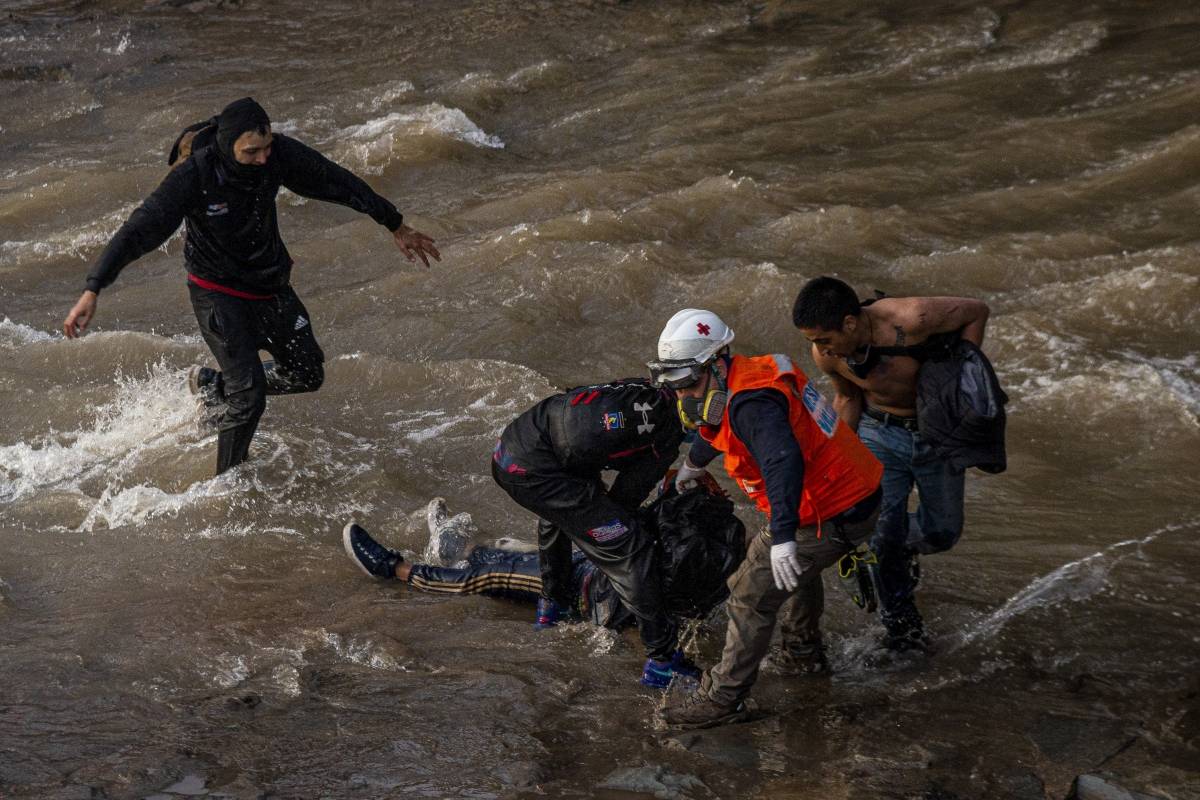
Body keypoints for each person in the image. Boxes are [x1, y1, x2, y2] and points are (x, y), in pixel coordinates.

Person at [61, 97, 440, 474]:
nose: (263, 158)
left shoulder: (277, 156)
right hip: (218, 293)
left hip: (270, 286)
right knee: (250, 397)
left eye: (267, 147)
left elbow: (336, 181)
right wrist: (94, 287)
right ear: (228, 146)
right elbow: (138, 231)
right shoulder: (195, 176)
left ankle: (212, 385)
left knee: (307, 373)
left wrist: (395, 224)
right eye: (251, 152)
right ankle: (227, 484)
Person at [651, 308, 883, 729]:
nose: (684, 395)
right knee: (795, 572)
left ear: (717, 364)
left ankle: (725, 699)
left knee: (749, 593)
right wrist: (695, 464)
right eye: (675, 384)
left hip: (829, 508)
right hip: (854, 491)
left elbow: (783, 460)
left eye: (689, 383)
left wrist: (783, 536)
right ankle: (803, 654)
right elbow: (714, 422)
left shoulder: (752, 405)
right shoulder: (748, 374)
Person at [792, 276, 990, 651]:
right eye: (813, 342)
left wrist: (964, 376)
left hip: (937, 433)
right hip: (878, 432)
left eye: (823, 339)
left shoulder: (912, 319)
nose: (819, 350)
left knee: (942, 532)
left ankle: (904, 546)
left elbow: (977, 311)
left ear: (850, 323)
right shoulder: (828, 355)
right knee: (883, 533)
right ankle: (903, 629)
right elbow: (847, 398)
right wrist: (832, 462)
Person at [489, 377, 696, 688]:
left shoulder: (641, 390)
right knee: (630, 546)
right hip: (540, 470)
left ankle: (551, 608)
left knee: (559, 512)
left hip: (514, 447)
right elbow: (624, 501)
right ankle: (662, 662)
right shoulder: (667, 435)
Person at [342, 484, 746, 632]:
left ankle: (392, 568)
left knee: (488, 578)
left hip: (584, 587)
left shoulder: (681, 554)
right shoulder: (718, 555)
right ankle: (457, 550)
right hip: (599, 574)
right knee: (511, 556)